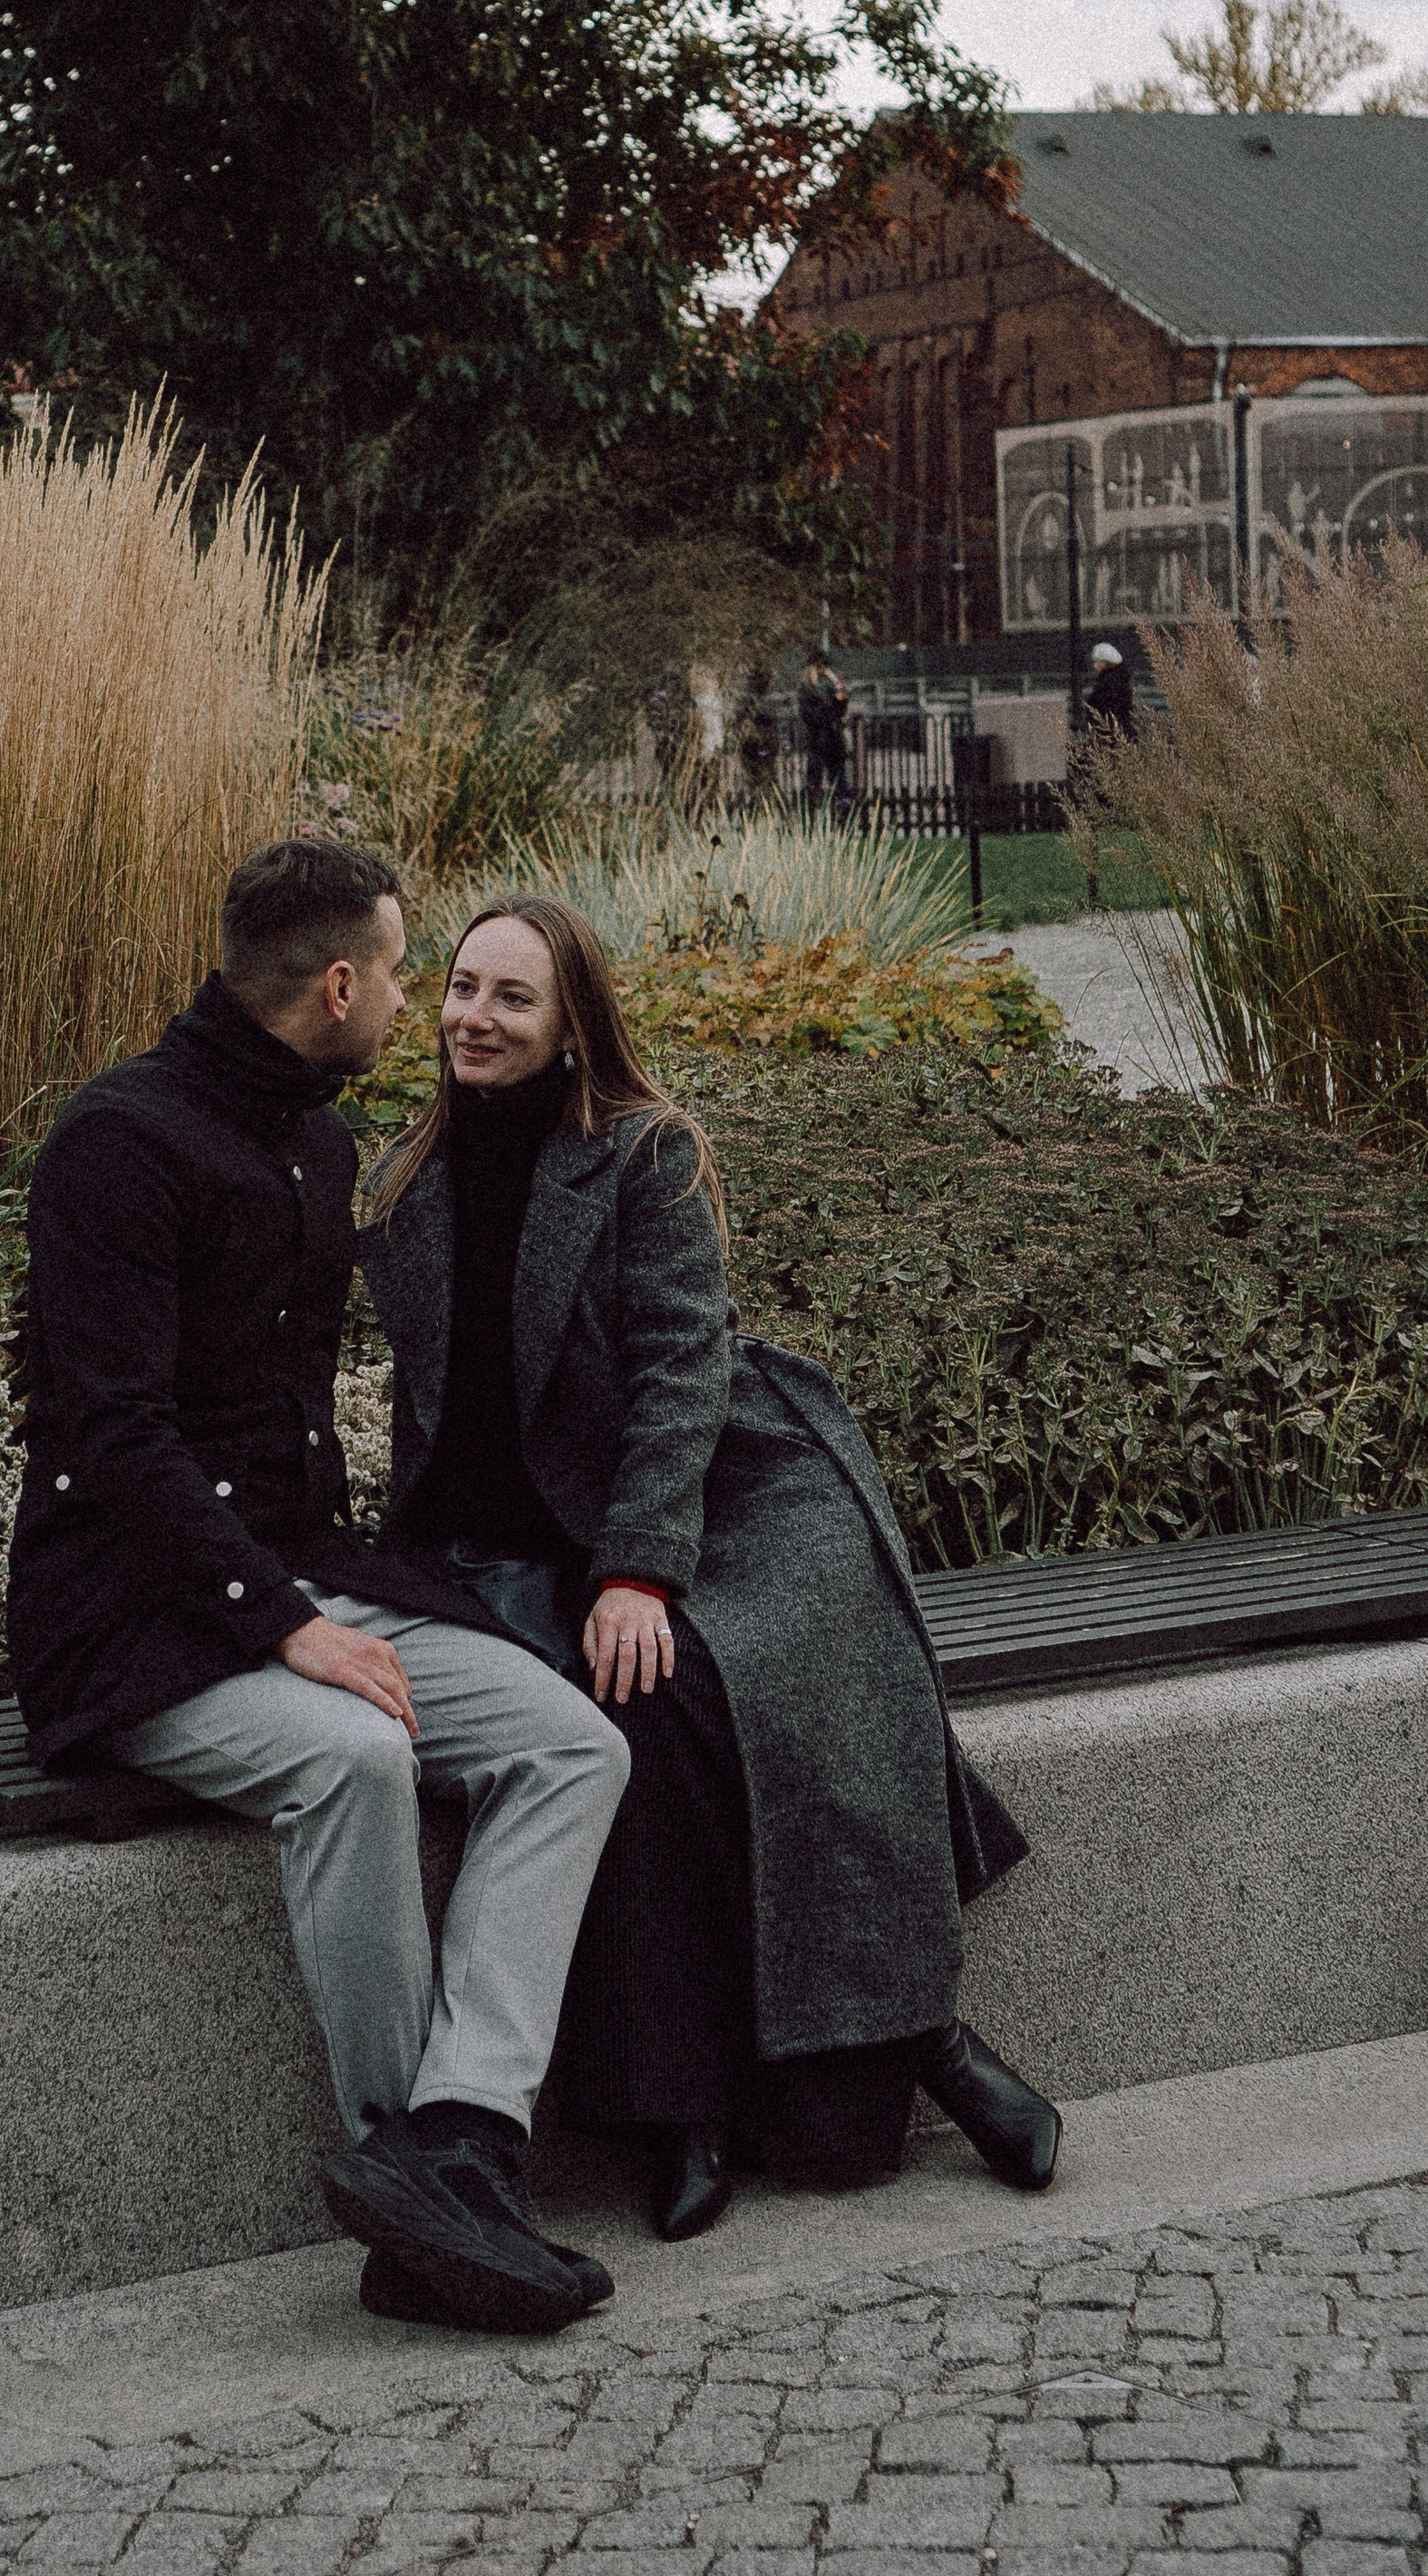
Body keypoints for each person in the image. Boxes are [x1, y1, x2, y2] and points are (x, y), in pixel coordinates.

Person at [359, 895, 1061, 2245]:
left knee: (705, 1689)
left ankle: (909, 2052)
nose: (473, 1017)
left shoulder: (643, 1154)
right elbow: (435, 1418)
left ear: (573, 1029)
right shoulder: (403, 1184)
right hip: (532, 1540)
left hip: (733, 1490)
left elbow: (685, 1374)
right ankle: (729, 2103)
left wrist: (638, 1570)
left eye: (514, 998)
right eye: (460, 989)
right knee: (629, 1721)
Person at [9, 838, 632, 2337]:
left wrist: (331, 1605)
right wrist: (288, 1629)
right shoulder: (119, 1142)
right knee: (360, 1760)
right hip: (128, 1619)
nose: (416, 1000)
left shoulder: (317, 1143)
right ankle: (403, 2163)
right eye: (407, 971)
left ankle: (455, 2146)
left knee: (575, 1743)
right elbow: (112, 1436)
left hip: (300, 1583)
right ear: (339, 983)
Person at [796, 651, 850, 803]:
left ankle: (843, 807)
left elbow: (840, 711)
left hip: (831, 739)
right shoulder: (808, 689)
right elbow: (810, 715)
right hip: (819, 739)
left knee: (838, 781)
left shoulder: (829, 685)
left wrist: (840, 699)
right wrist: (831, 702)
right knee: (817, 781)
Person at [1084, 639, 1135, 739]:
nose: (1094, 666)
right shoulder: (1120, 680)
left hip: (1108, 731)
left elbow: (1104, 706)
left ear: (1105, 663)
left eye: (1096, 662)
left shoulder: (1107, 683)